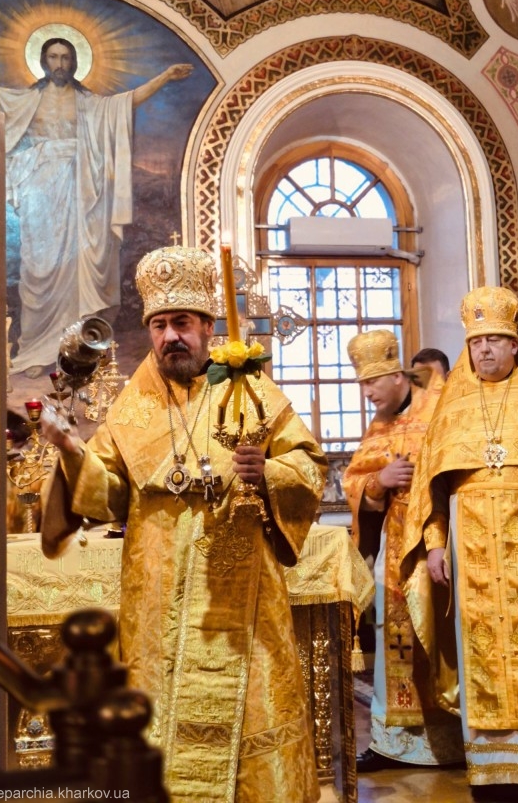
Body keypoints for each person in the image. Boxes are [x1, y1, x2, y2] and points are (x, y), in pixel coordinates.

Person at [39, 244, 327, 803]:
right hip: (159, 599)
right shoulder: (132, 407)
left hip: (242, 596)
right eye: (160, 325)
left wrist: (268, 471)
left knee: (253, 710)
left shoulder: (250, 389)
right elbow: (111, 495)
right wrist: (72, 450)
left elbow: (308, 466)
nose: (171, 336)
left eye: (182, 323)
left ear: (207, 327)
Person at [402, 286, 518, 800]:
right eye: (475, 341)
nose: (483, 350)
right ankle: (493, 769)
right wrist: (434, 544)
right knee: (479, 645)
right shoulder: (453, 404)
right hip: (470, 533)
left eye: (494, 340)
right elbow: (433, 486)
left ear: (515, 343)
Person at [0, 37, 193, 377]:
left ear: (74, 62)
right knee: (37, 269)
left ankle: (78, 351)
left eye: (65, 58)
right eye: (53, 57)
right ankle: (36, 351)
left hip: (81, 192)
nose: (60, 64)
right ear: (43, 61)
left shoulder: (89, 104)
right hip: (39, 191)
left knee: (78, 268)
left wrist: (163, 78)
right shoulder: (26, 100)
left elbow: (126, 102)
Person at [341, 329, 464, 772]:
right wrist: (380, 482)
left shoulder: (439, 404)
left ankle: (459, 740)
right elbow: (354, 478)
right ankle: (393, 743)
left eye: (372, 382)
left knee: (445, 640)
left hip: (444, 541)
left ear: (397, 375)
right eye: (361, 384)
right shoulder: (380, 423)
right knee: (395, 640)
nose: (367, 392)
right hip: (395, 548)